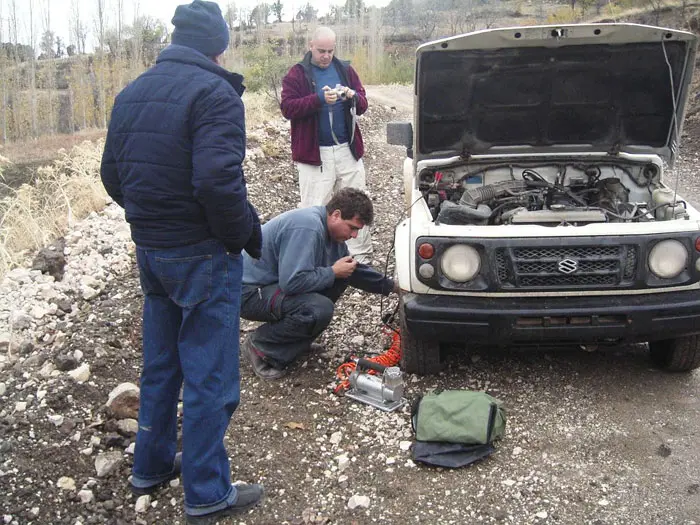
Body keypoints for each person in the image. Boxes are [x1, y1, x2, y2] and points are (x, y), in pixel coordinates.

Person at [99, 1, 264, 522]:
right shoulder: (215, 92)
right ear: (219, 44)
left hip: (150, 251)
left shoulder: (132, 92)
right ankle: (207, 492)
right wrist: (244, 234)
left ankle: (149, 466)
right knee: (209, 374)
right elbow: (217, 182)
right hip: (201, 254)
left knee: (162, 363)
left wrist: (151, 219)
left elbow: (112, 175)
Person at [240, 187, 397, 380]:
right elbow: (291, 283)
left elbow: (352, 270)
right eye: (353, 228)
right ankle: (260, 346)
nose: (354, 235)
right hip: (248, 293)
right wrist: (332, 272)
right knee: (318, 308)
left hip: (270, 288)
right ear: (336, 215)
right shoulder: (308, 227)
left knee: (340, 277)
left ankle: (293, 342)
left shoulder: (332, 235)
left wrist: (393, 287)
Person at [280, 26, 373, 264]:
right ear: (310, 46)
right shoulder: (297, 74)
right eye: (321, 50)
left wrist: (352, 95)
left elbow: (363, 104)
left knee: (358, 202)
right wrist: (319, 99)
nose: (326, 56)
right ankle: (313, 257)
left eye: (330, 51)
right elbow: (288, 108)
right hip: (314, 155)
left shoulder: (345, 69)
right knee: (313, 208)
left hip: (347, 150)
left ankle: (358, 257)